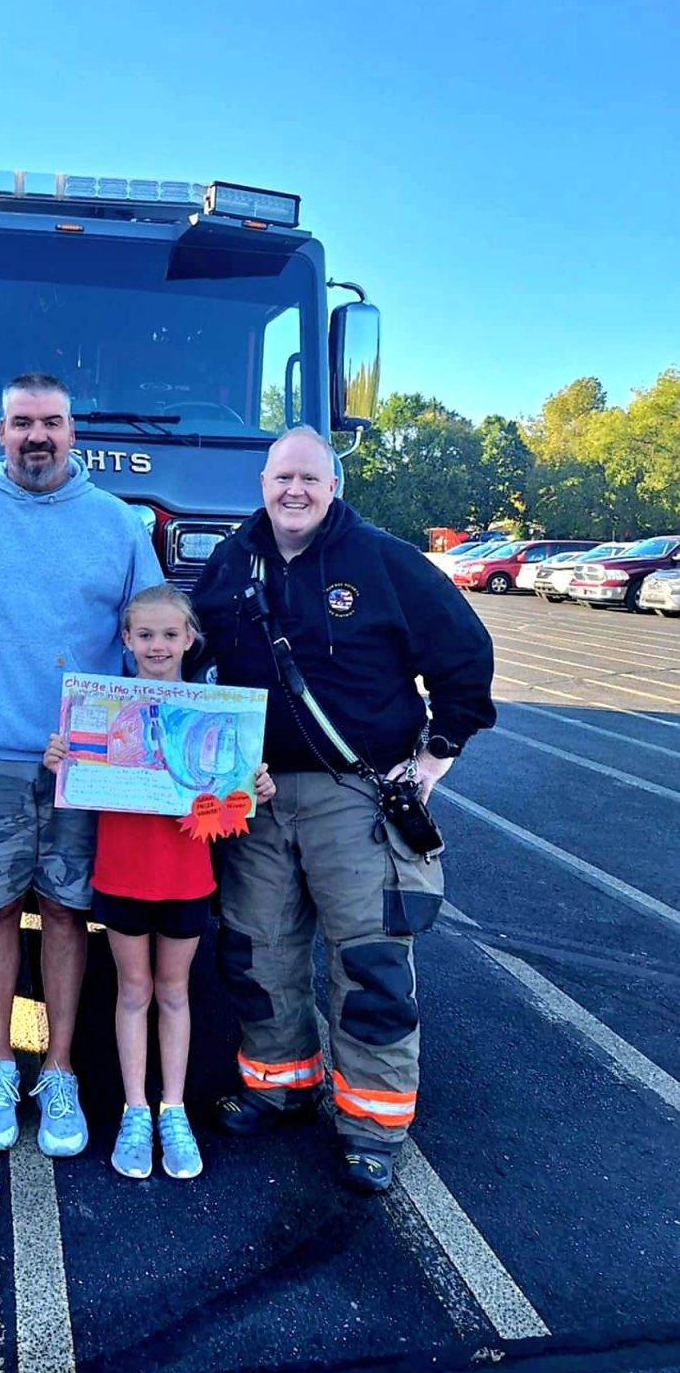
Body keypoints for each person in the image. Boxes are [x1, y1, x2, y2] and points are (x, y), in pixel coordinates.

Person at [191, 425, 496, 1194]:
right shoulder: (231, 561)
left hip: (352, 796)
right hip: (253, 796)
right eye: (281, 477)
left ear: (333, 486)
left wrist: (431, 762)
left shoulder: (385, 562)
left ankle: (371, 1125)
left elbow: (465, 660)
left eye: (309, 479)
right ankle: (278, 1083)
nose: (293, 491)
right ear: (261, 481)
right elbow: (190, 658)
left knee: (370, 962)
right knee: (256, 953)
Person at [0, 373, 161, 1157]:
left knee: (66, 913)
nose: (37, 436)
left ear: (73, 432)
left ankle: (56, 1069)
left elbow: (154, 642)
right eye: (22, 422)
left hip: (86, 765)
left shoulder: (119, 525)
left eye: (52, 423)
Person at [44, 584, 276, 1180]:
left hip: (186, 877)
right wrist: (62, 760)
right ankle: (135, 1109)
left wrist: (250, 790)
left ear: (190, 639)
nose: (156, 645)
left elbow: (227, 813)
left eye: (169, 634)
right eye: (144, 634)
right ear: (125, 639)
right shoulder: (102, 708)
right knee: (133, 989)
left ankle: (173, 1107)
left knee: (175, 992)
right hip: (122, 873)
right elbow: (80, 775)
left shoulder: (217, 714)